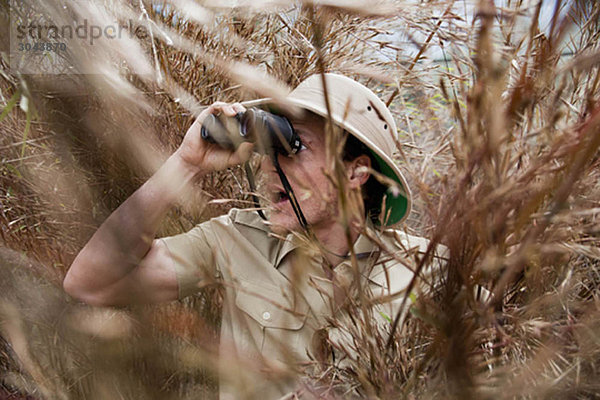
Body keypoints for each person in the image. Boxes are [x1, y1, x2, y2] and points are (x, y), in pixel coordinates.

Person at [63, 73, 440, 399]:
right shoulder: (235, 240)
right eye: (269, 146)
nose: (269, 165)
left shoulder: (426, 271)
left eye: (296, 145)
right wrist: (185, 164)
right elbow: (89, 284)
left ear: (356, 174)